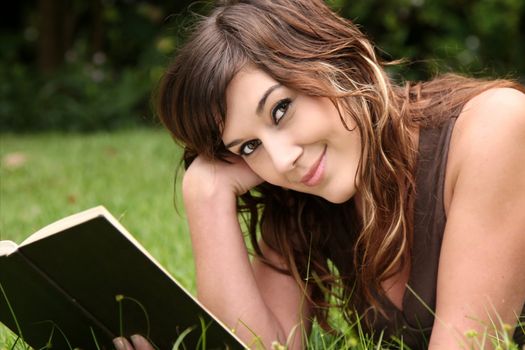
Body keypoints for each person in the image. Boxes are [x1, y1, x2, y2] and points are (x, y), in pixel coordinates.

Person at [114, 0, 525, 349]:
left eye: (280, 110)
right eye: (248, 147)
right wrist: (206, 195)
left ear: (337, 58)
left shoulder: (494, 129)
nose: (281, 161)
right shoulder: (306, 201)